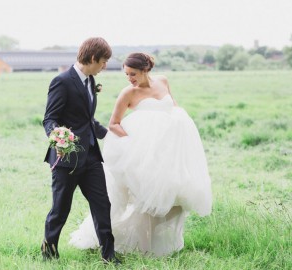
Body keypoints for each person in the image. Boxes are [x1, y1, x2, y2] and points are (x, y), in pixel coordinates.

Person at [70, 52, 212, 256]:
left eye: (133, 74)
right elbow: (113, 124)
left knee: (172, 196)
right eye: (126, 74)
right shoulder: (128, 93)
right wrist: (133, 142)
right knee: (146, 197)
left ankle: (161, 242)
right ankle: (134, 243)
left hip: (168, 149)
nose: (130, 78)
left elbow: (174, 107)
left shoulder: (163, 81)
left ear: (146, 70)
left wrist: (180, 127)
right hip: (142, 151)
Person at [42, 37, 120, 264]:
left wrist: (112, 135)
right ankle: (49, 252)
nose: (105, 66)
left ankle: (109, 255)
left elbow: (87, 120)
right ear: (93, 58)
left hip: (92, 158)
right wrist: (58, 137)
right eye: (104, 61)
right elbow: (50, 118)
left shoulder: (91, 80)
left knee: (102, 205)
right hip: (66, 160)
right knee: (60, 208)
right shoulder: (62, 81)